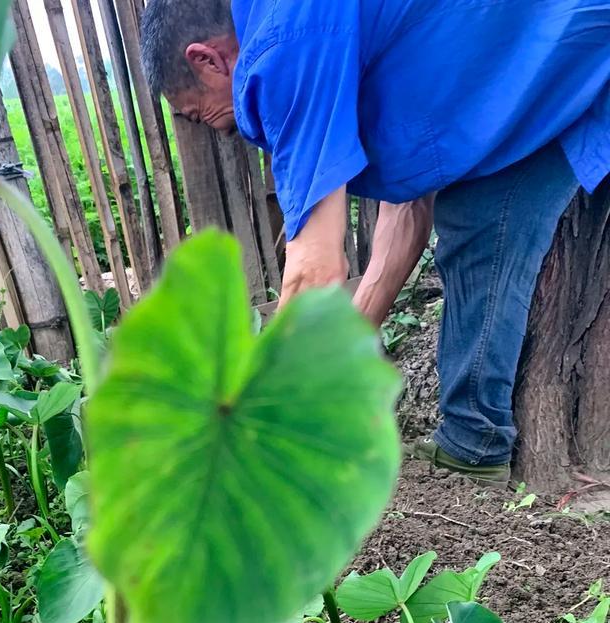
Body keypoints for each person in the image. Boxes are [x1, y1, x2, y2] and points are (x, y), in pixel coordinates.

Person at [140, 0, 610, 485]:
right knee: (483, 219)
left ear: (206, 59)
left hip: (573, 36)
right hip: (558, 59)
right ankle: (473, 455)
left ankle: (472, 455)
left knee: (480, 218)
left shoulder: (283, 46)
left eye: (192, 113)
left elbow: (314, 269)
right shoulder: (321, 37)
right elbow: (409, 203)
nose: (205, 123)